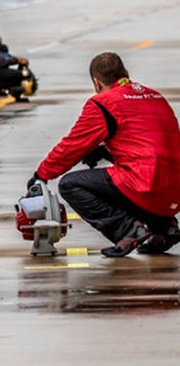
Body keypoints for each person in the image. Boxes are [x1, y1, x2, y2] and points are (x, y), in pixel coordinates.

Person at [27, 53, 180, 257]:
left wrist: (41, 175)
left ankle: (127, 230)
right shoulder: (155, 96)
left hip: (146, 186)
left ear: (97, 83)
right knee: (131, 175)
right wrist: (105, 152)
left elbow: (72, 146)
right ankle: (164, 228)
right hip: (174, 191)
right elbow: (148, 147)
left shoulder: (103, 103)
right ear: (125, 73)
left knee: (70, 184)